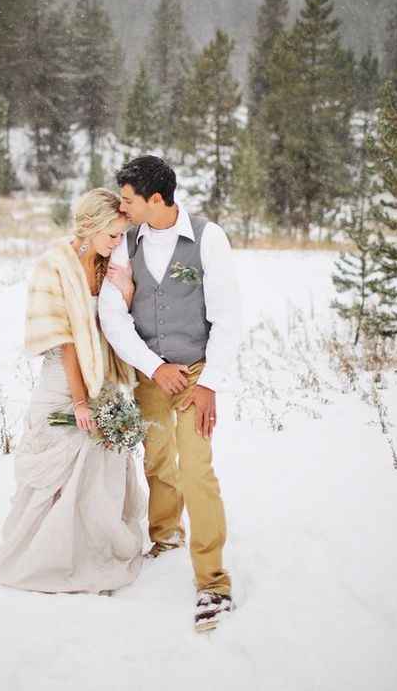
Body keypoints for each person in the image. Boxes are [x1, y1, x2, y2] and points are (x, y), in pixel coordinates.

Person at [98, 156, 241, 631]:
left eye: (128, 199)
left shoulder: (207, 238)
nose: (122, 207)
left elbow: (227, 316)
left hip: (196, 374)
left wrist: (210, 383)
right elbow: (112, 314)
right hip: (152, 375)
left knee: (196, 469)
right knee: (157, 459)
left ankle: (213, 582)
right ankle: (165, 538)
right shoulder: (127, 240)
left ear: (155, 199)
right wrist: (154, 367)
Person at [0, 188, 145, 595]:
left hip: (105, 372)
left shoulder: (110, 264)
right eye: (113, 235)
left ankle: (95, 550)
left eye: (122, 235)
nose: (119, 243)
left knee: (101, 467)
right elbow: (65, 342)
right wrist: (80, 402)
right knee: (57, 463)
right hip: (64, 377)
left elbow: (115, 325)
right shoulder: (54, 266)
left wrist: (126, 292)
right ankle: (45, 558)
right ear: (91, 226)